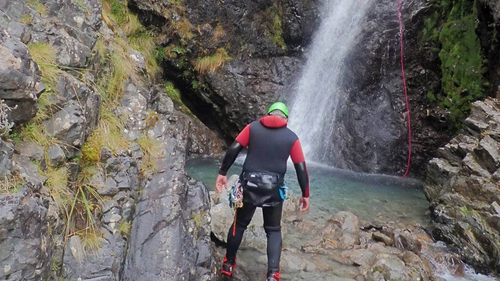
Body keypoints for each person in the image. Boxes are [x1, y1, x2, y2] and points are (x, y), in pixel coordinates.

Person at [215, 102, 310, 281]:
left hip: (249, 185)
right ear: (286, 119)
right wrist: (305, 194)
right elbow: (301, 167)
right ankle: (273, 274)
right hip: (273, 189)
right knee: (273, 230)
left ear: (268, 114)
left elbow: (234, 149)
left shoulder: (252, 128)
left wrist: (222, 173)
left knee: (240, 224)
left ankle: (228, 264)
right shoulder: (292, 137)